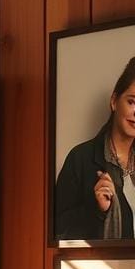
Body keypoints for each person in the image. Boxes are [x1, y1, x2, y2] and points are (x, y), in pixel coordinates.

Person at [55, 57, 135, 241]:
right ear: (114, 101)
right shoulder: (81, 158)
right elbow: (57, 230)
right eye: (132, 102)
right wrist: (96, 209)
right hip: (102, 268)